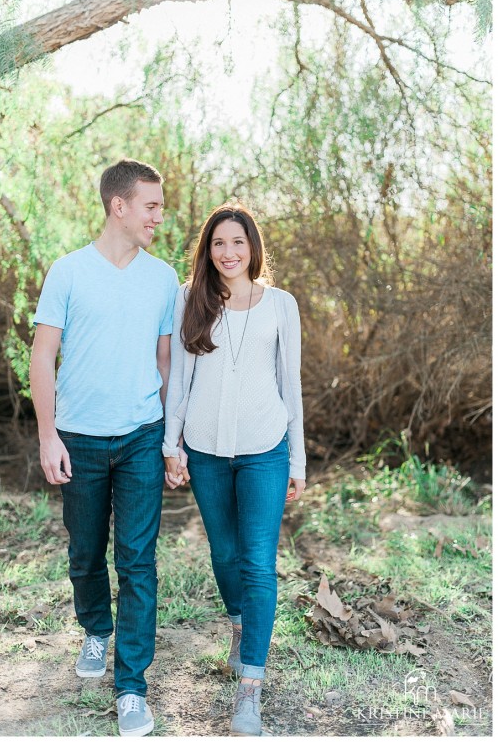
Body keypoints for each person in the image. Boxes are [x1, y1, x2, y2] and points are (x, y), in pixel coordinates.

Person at [29, 159, 179, 737]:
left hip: (142, 435)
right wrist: (49, 435)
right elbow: (44, 355)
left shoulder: (163, 277)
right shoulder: (67, 273)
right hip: (81, 439)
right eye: (151, 206)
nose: (159, 218)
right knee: (86, 552)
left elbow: (167, 361)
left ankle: (132, 688)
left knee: (139, 561)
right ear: (119, 206)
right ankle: (96, 628)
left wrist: (170, 440)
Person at [162, 203, 306, 736]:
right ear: (208, 249)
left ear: (253, 248)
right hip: (204, 449)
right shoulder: (190, 300)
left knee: (258, 564)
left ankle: (251, 686)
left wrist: (299, 459)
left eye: (237, 243)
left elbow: (290, 386)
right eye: (218, 243)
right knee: (224, 554)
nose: (228, 253)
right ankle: (240, 626)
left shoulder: (281, 305)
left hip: (266, 447)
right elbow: (179, 379)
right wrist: (169, 445)